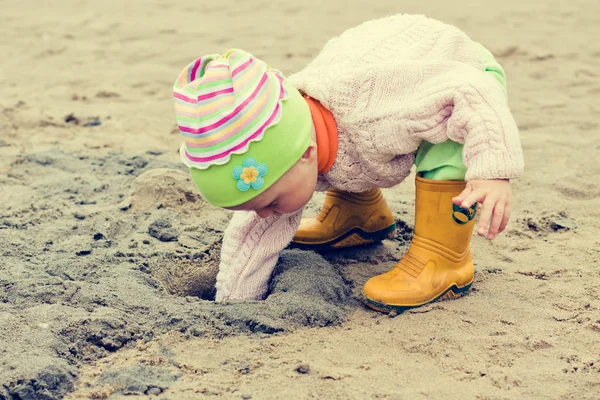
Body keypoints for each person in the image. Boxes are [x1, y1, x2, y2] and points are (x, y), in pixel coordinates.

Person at [172, 13, 524, 313]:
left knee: (445, 138)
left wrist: (493, 170)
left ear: (306, 153)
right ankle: (360, 215)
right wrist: (236, 300)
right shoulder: (291, 145)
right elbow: (253, 232)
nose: (266, 214)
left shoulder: (379, 114)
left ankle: (444, 258)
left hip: (454, 74)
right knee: (344, 151)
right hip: (362, 77)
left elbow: (471, 90)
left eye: (270, 203)